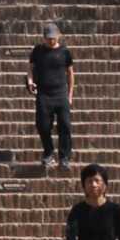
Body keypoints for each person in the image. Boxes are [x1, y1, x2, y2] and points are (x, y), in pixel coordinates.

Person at [27, 19, 76, 173]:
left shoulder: (65, 51)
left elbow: (70, 74)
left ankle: (64, 157)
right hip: (44, 95)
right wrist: (30, 82)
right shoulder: (38, 51)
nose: (51, 40)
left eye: (53, 37)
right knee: (42, 125)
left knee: (65, 126)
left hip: (60, 94)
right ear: (44, 37)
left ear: (59, 35)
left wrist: (70, 95)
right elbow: (30, 69)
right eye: (48, 38)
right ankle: (49, 152)